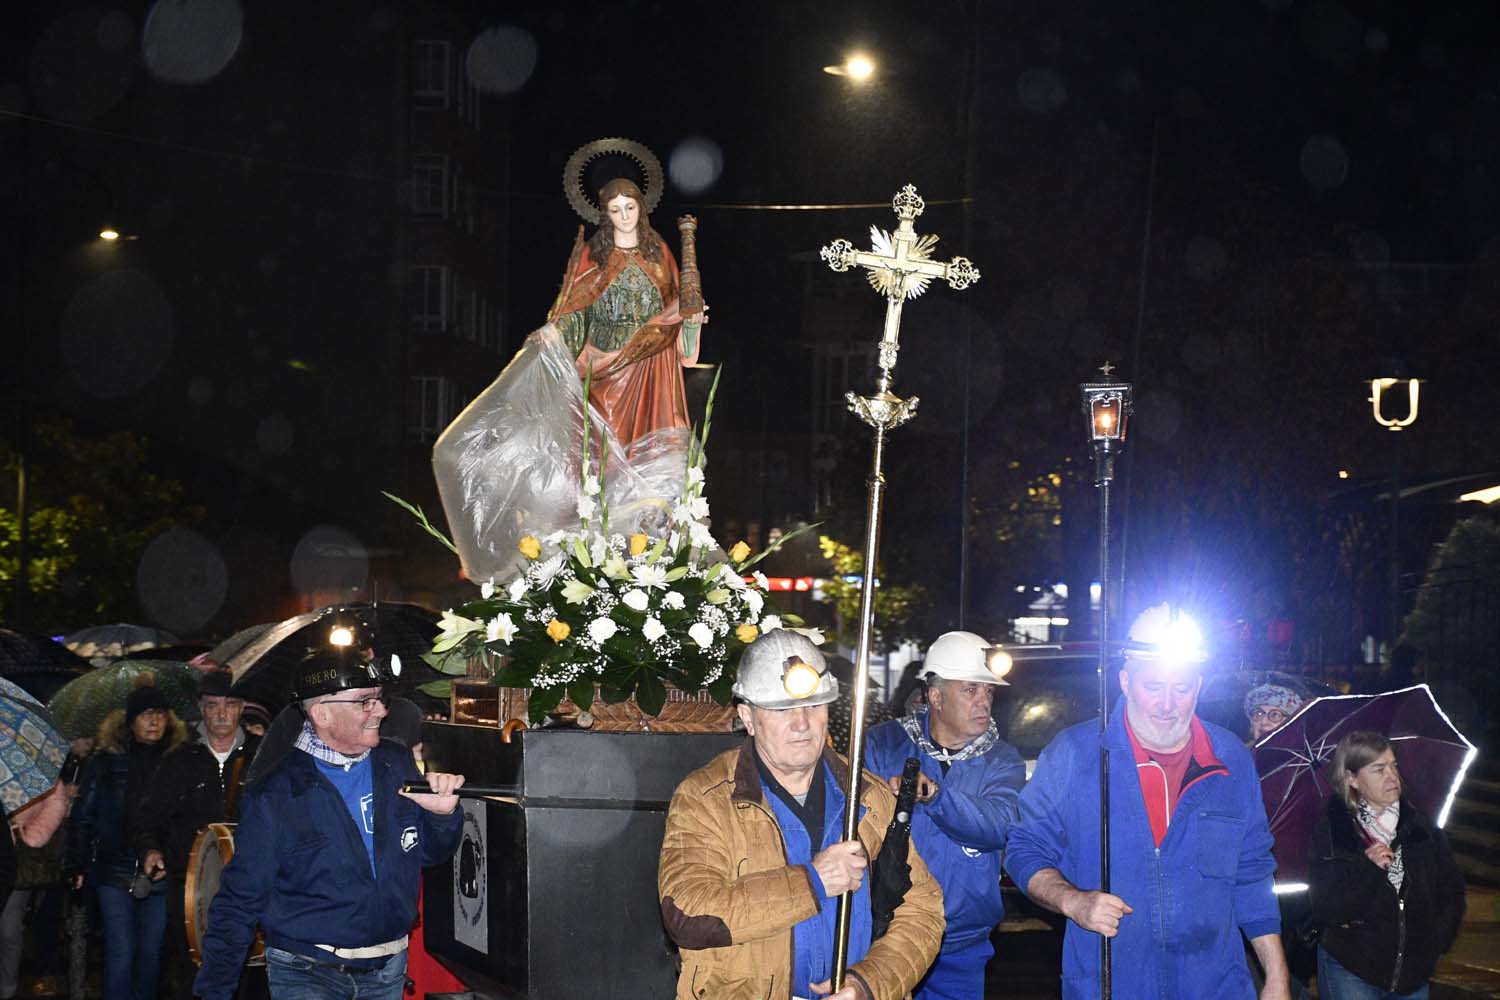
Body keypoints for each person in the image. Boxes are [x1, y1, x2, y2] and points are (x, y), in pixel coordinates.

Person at [1005, 604, 1292, 999]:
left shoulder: (1231, 759)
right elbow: (1024, 848)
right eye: (1153, 687)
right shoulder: (1076, 755)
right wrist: (1073, 901)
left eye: (1182, 688)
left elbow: (1253, 870)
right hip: (1109, 987)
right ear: (1125, 681)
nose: (1167, 704)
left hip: (1215, 987)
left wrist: (1276, 976)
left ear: (1199, 686)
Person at [658, 630, 945, 1000]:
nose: (802, 723)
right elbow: (690, 914)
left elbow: (923, 909)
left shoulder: (869, 797)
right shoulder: (706, 799)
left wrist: (869, 983)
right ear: (748, 716)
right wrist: (811, 881)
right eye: (782, 709)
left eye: (813, 706)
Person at [192, 642, 465, 1000]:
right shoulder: (278, 793)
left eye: (379, 698)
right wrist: (214, 991)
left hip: (387, 971)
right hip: (308, 973)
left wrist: (442, 817)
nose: (380, 710)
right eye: (365, 701)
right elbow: (239, 900)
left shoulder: (394, 763)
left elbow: (430, 855)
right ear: (322, 714)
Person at [865, 631, 1026, 1000]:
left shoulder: (1002, 760)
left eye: (988, 692)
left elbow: (997, 825)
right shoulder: (883, 744)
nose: (984, 702)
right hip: (888, 937)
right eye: (970, 690)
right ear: (935, 697)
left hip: (960, 945)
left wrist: (935, 796)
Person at [550, 176, 706, 458]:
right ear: (606, 214)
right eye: (616, 209)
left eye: (630, 207)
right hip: (604, 367)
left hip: (652, 366)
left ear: (641, 208)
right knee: (605, 454)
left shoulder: (660, 255)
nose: (624, 216)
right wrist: (555, 332)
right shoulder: (594, 256)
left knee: (652, 453)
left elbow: (677, 311)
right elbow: (575, 310)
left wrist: (690, 325)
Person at [131, 668, 260, 1000]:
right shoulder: (179, 759)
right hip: (190, 889)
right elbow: (149, 815)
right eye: (213, 704)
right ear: (201, 708)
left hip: (249, 886)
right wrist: (150, 849)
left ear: (241, 707)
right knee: (195, 971)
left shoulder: (261, 755)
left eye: (229, 704)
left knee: (247, 974)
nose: (221, 713)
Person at [1308, 731, 1466, 1000]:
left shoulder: (1421, 827)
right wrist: (1369, 870)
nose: (1392, 777)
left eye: (1393, 766)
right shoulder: (1336, 832)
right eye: (1378, 770)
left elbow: (1451, 893)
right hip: (1352, 967)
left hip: (1413, 974)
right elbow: (1327, 908)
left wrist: (1434, 944)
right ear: (1352, 779)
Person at [66, 680, 186, 1000]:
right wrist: (76, 863)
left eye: (160, 713)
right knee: (122, 950)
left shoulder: (180, 760)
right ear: (131, 721)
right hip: (113, 871)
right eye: (146, 714)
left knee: (151, 953)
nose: (154, 720)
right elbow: (84, 814)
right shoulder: (106, 762)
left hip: (161, 872)